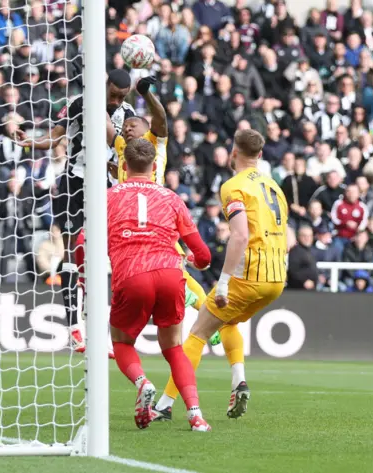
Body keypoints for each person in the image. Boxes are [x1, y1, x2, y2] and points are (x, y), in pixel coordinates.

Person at [156, 129, 287, 420]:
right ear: (261, 155)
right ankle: (238, 379)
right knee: (226, 322)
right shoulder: (275, 187)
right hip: (276, 279)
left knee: (198, 333)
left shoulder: (233, 186)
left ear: (234, 152)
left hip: (249, 276)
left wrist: (225, 282)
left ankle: (164, 404)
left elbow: (240, 236)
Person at [15, 69, 136, 353]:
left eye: (122, 97)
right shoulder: (81, 103)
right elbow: (55, 137)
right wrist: (29, 141)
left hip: (107, 186)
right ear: (105, 86)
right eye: (114, 95)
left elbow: (126, 151)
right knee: (69, 251)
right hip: (75, 181)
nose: (117, 101)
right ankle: (73, 327)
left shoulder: (127, 113)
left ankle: (100, 330)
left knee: (104, 257)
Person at [107, 138, 211, 432]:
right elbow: (203, 255)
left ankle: (143, 383)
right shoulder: (172, 198)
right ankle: (196, 416)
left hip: (132, 274)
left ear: (124, 167)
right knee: (174, 349)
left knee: (123, 342)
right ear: (154, 167)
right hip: (169, 274)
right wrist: (194, 260)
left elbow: (83, 240)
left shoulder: (109, 196)